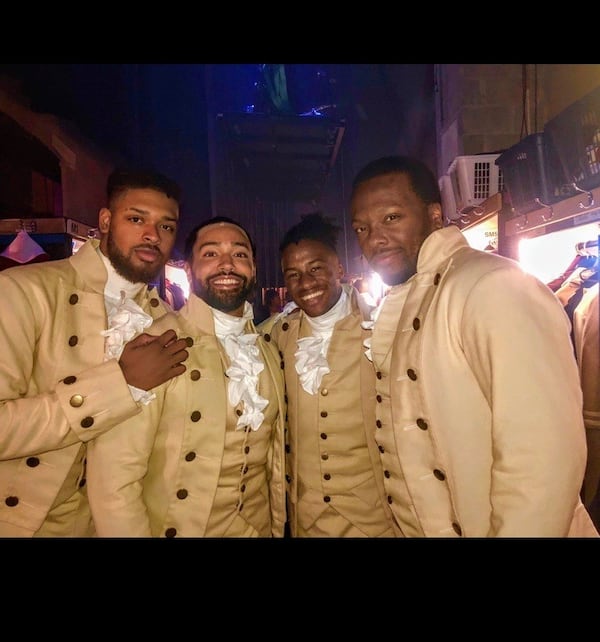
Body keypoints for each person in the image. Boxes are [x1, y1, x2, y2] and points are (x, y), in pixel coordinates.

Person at [349, 154, 599, 537]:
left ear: (435, 216)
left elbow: (544, 460)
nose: (375, 238)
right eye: (362, 228)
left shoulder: (491, 284)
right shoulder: (401, 302)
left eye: (391, 218)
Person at [0, 166, 190, 537]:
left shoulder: (168, 322)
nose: (152, 235)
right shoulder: (24, 292)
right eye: (136, 219)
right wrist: (120, 383)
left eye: (166, 226)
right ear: (105, 220)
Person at [86, 216, 287, 537]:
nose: (227, 265)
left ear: (254, 268)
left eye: (239, 254)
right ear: (189, 271)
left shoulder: (267, 349)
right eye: (210, 254)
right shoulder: (156, 342)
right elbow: (113, 479)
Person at [262, 212, 396, 537]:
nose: (305, 284)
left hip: (374, 519)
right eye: (292, 274)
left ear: (339, 268)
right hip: (305, 518)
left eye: (315, 269)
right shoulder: (274, 338)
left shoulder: (383, 328)